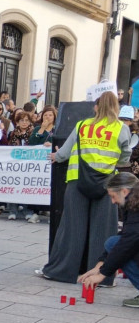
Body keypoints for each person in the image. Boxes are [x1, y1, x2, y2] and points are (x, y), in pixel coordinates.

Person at [39, 91, 131, 284]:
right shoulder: (121, 128)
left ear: (96, 107)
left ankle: (61, 272)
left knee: (72, 229)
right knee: (103, 231)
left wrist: (56, 156)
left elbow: (64, 152)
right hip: (107, 185)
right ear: (116, 107)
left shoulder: (82, 125)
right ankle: (102, 277)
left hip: (78, 181)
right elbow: (124, 158)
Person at [79, 173, 139, 307]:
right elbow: (125, 236)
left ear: (124, 191)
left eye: (113, 196)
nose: (112, 202)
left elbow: (128, 242)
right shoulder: (133, 202)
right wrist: (100, 265)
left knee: (115, 244)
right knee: (113, 242)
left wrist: (103, 274)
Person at [25, 104, 58, 223]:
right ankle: (35, 212)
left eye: (50, 115)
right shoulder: (37, 128)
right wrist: (42, 129)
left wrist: (52, 145)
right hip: (38, 165)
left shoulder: (57, 129)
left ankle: (49, 210)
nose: (48, 117)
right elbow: (32, 141)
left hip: (51, 163)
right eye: (45, 115)